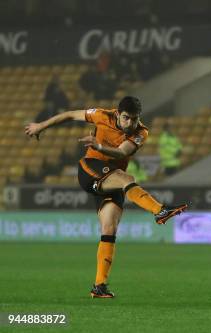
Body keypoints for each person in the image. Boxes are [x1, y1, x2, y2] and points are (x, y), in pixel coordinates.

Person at [24, 96, 188, 298]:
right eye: (127, 118)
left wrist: (100, 145)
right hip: (90, 168)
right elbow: (69, 115)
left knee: (109, 227)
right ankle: (159, 211)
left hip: (112, 179)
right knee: (127, 177)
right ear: (118, 114)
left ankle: (99, 286)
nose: (131, 123)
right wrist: (41, 125)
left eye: (135, 119)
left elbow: (121, 153)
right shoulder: (102, 115)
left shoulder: (141, 133)